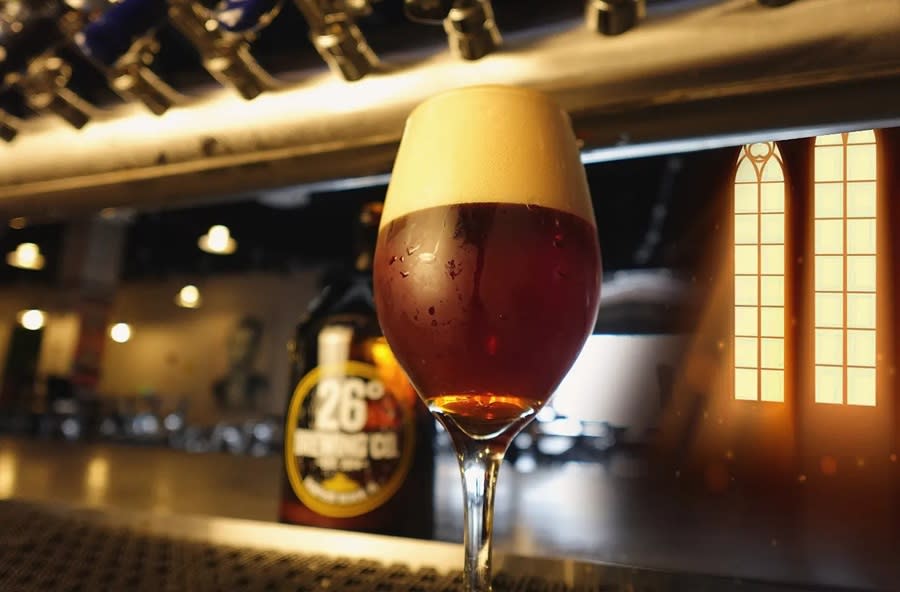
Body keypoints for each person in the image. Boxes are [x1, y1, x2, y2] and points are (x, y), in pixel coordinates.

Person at [212, 316, 270, 416]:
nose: (239, 352)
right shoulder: (218, 387)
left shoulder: (261, 386)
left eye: (246, 345)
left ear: (255, 350)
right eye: (235, 344)